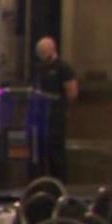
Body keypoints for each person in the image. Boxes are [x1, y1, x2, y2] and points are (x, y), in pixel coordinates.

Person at [32, 35, 79, 181]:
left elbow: (72, 92)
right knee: (40, 151)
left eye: (43, 51)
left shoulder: (63, 67)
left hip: (55, 116)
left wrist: (60, 105)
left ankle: (59, 182)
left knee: (56, 152)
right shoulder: (39, 69)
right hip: (40, 116)